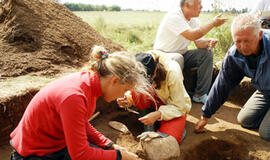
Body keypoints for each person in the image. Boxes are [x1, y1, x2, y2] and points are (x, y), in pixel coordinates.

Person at [9, 46, 152, 160]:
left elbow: (81, 123)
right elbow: (80, 154)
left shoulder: (88, 84)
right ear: (114, 80)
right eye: (125, 89)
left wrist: (110, 145)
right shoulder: (74, 96)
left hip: (55, 145)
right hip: (34, 153)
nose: (123, 95)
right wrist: (120, 156)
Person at [194, 13, 270, 142]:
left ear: (260, 35)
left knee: (266, 133)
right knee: (245, 120)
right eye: (238, 41)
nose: (243, 46)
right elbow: (222, 85)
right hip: (265, 90)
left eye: (247, 41)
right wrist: (205, 116)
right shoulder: (234, 55)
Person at [153, 0, 227, 104]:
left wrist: (208, 43)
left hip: (182, 54)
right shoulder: (174, 16)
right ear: (188, 4)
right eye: (199, 4)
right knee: (178, 58)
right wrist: (213, 23)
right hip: (163, 55)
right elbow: (192, 35)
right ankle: (175, 97)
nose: (201, 7)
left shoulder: (194, 20)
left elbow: (198, 42)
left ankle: (200, 95)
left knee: (206, 53)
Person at [118, 50, 191, 143]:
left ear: (155, 70)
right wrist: (128, 99)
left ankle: (178, 128)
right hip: (156, 100)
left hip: (174, 106)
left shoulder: (173, 72)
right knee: (140, 91)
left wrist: (158, 114)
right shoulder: (142, 61)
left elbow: (180, 107)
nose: (144, 83)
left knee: (167, 140)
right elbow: (135, 89)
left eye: (148, 80)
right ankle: (148, 129)